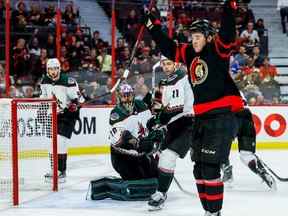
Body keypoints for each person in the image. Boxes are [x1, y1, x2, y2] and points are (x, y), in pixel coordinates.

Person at [144, 1, 243, 215]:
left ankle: (214, 212)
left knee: (209, 169)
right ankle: (209, 212)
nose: (194, 40)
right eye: (192, 36)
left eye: (198, 36)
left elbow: (227, 34)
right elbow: (169, 48)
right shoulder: (190, 54)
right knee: (198, 169)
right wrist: (153, 28)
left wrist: (229, 8)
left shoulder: (217, 50)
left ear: (208, 37)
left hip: (221, 118)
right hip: (201, 120)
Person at [90, 84, 161, 201]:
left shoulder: (141, 105)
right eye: (124, 96)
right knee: (137, 183)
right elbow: (120, 139)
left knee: (156, 178)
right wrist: (137, 143)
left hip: (141, 155)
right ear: (119, 97)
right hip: (122, 157)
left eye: (129, 95)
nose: (127, 98)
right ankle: (108, 186)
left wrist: (155, 137)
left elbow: (151, 124)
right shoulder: (116, 113)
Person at [144, 57, 194, 210]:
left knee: (168, 156)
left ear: (176, 64)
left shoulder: (185, 79)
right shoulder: (161, 84)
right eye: (164, 64)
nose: (166, 67)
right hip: (172, 126)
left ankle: (160, 193)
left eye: (169, 64)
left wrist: (161, 119)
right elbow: (157, 108)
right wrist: (154, 118)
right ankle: (162, 191)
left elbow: (182, 109)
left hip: (187, 124)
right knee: (163, 158)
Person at [221, 93, 277, 190]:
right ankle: (264, 173)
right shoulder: (237, 90)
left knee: (218, 147)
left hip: (231, 117)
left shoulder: (217, 86)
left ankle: (228, 175)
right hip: (247, 117)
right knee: (246, 154)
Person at [40, 58, 83, 182]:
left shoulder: (68, 82)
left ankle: (62, 171)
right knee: (51, 143)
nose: (53, 72)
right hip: (52, 115)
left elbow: (80, 100)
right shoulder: (44, 81)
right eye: (51, 69)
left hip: (67, 115)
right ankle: (54, 168)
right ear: (47, 70)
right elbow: (43, 96)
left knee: (60, 141)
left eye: (56, 68)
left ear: (59, 69)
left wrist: (75, 105)